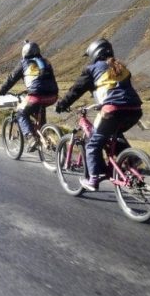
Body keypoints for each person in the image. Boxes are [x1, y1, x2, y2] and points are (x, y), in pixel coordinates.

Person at [55, 38, 142, 191]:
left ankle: (93, 178)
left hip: (113, 110)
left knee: (93, 143)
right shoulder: (119, 67)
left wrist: (62, 104)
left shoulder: (92, 69)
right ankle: (131, 160)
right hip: (134, 110)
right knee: (114, 133)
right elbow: (116, 88)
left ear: (95, 53)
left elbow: (76, 90)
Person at [0, 41, 59, 152]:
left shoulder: (24, 63)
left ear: (24, 52)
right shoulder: (46, 62)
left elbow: (11, 78)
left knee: (21, 113)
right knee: (40, 109)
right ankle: (44, 133)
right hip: (52, 96)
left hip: (36, 96)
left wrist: (2, 90)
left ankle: (30, 138)